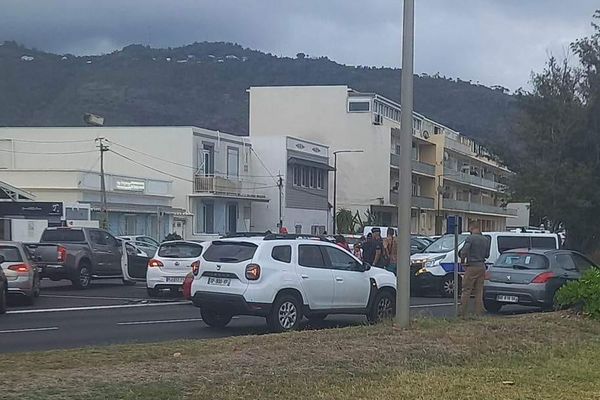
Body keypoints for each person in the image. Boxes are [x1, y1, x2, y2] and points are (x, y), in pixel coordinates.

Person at [458, 222, 490, 317]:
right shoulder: (486, 239)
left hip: (472, 266)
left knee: (466, 290)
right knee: (479, 291)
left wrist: (463, 261)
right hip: (482, 266)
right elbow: (487, 255)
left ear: (471, 228)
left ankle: (463, 313)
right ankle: (478, 314)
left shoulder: (470, 238)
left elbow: (464, 251)